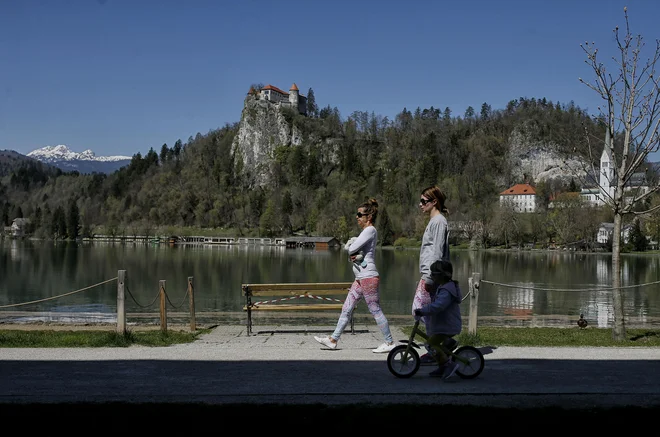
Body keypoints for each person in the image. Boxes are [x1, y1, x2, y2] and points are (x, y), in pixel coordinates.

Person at [314, 198, 396, 353]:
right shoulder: (365, 232)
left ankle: (390, 342)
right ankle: (333, 340)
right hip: (360, 279)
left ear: (369, 217)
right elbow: (353, 248)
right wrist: (352, 245)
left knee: (375, 309)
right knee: (347, 307)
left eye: (360, 214)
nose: (357, 217)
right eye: (356, 214)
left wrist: (351, 245)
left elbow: (351, 249)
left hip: (368, 277)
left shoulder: (370, 230)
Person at [412, 185, 450, 364]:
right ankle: (443, 343)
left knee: (421, 310)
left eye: (423, 201)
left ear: (434, 202)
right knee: (426, 312)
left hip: (432, 275)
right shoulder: (434, 221)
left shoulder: (439, 222)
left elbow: (437, 252)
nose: (420, 205)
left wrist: (430, 277)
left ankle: (435, 350)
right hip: (431, 274)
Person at [414, 259, 462, 380]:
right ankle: (442, 364)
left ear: (442, 275)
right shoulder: (444, 287)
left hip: (447, 325)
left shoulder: (446, 290)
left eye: (433, 274)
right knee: (434, 345)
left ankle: (448, 365)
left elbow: (439, 306)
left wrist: (424, 310)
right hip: (445, 324)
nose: (431, 276)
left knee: (431, 345)